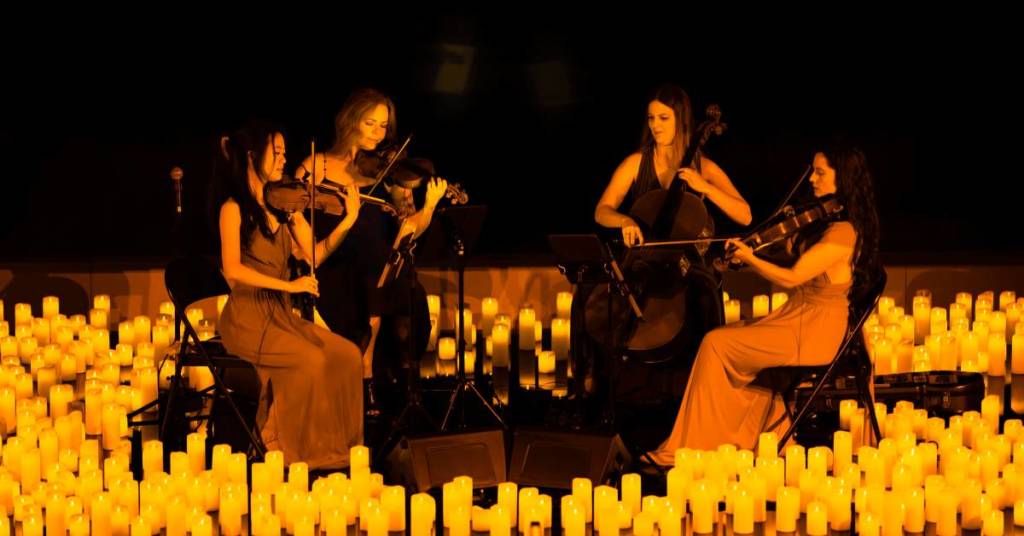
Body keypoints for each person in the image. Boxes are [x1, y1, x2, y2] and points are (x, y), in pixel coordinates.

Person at [647, 142, 881, 459]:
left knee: (716, 344)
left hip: (817, 332)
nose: (812, 179)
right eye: (813, 170)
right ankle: (745, 434)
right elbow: (788, 256)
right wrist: (752, 252)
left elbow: (791, 277)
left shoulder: (843, 234)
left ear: (845, 179)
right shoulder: (825, 223)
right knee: (723, 340)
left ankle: (698, 444)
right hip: (799, 316)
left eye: (821, 172)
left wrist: (750, 258)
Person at [215, 120, 364, 468]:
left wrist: (347, 222)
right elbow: (233, 270)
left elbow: (314, 254)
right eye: (277, 152)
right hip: (248, 320)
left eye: (285, 152)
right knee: (310, 361)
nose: (285, 159)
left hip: (281, 317)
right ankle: (295, 450)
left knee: (347, 355)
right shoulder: (233, 209)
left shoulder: (286, 208)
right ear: (253, 156)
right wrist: (291, 286)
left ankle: (340, 450)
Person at [294, 88, 447, 410]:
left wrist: (429, 206)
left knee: (399, 289)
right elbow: (295, 222)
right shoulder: (316, 165)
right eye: (370, 124)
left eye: (383, 125)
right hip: (331, 262)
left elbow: (409, 229)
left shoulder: (391, 174)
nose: (378, 133)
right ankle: (360, 379)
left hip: (374, 264)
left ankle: (380, 377)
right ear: (351, 122)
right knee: (367, 287)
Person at [594, 83, 752, 246]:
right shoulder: (634, 163)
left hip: (688, 262)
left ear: (681, 120)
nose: (655, 125)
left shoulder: (704, 167)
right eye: (651, 118)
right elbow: (602, 211)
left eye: (663, 118)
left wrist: (706, 187)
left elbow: (745, 216)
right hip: (643, 259)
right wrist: (625, 221)